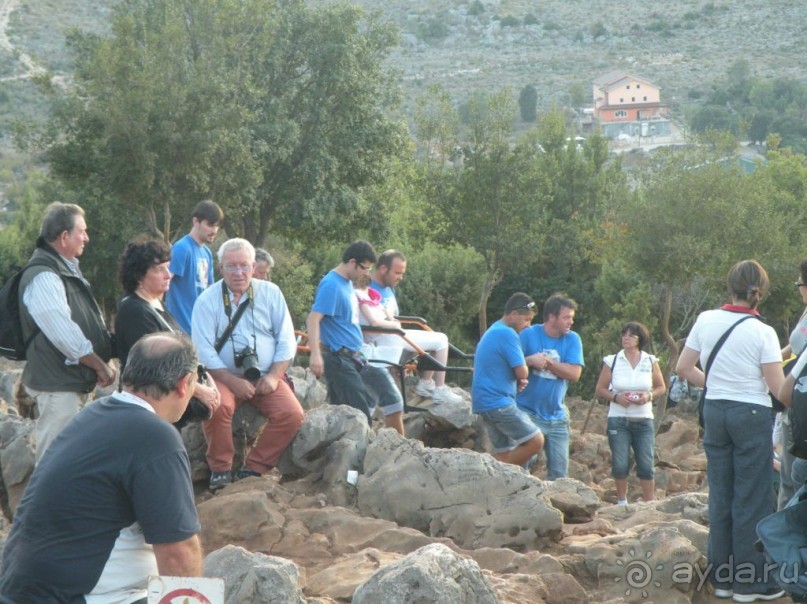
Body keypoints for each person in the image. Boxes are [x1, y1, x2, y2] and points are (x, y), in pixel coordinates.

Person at [0, 332, 203, 602]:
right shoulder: (156, 437)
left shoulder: (92, 415)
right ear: (183, 384)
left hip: (19, 586)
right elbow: (179, 553)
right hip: (74, 596)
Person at [676, 259, 785, 603]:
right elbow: (777, 388)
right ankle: (750, 585)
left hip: (716, 411)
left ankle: (722, 580)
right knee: (752, 497)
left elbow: (682, 367)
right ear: (760, 293)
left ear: (730, 287)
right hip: (750, 414)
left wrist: (719, 385)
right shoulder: (763, 332)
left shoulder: (706, 320)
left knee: (721, 493)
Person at [191, 238, 304, 491]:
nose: (238, 272)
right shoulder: (207, 300)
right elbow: (203, 350)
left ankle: (254, 468)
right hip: (222, 376)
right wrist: (232, 381)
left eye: (244, 265)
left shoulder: (271, 293)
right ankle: (220, 468)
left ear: (254, 266)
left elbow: (286, 340)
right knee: (216, 405)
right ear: (221, 268)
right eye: (231, 266)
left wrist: (275, 376)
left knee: (292, 413)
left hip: (265, 375)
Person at [18, 202, 116, 462]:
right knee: (54, 460)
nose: (87, 237)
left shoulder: (61, 270)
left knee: (68, 458)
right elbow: (64, 333)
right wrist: (99, 365)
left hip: (67, 382)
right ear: (64, 237)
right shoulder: (44, 277)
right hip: (58, 386)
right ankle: (42, 504)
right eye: (81, 231)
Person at [114, 240, 221, 428]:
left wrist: (207, 382)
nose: (168, 275)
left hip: (166, 406)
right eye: (158, 270)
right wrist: (200, 391)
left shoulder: (157, 305)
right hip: (148, 409)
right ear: (139, 276)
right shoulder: (134, 311)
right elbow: (156, 368)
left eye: (168, 267)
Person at [306, 240, 405, 435]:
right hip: (338, 357)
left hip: (355, 356)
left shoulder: (347, 284)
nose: (366, 274)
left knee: (357, 412)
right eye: (364, 268)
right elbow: (313, 319)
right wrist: (315, 355)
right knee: (357, 417)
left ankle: (347, 461)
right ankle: (352, 464)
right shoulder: (331, 285)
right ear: (352, 262)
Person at [369, 250, 462, 404]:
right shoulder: (368, 287)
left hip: (394, 334)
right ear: (384, 269)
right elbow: (372, 319)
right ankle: (438, 389)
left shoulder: (388, 287)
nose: (401, 277)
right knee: (441, 340)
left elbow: (394, 315)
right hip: (385, 336)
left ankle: (426, 384)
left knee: (435, 341)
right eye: (397, 273)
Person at [594, 322, 665, 504]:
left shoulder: (650, 360)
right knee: (620, 462)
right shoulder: (613, 360)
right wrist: (616, 397)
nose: (626, 338)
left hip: (643, 418)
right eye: (624, 334)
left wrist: (648, 396)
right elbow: (601, 389)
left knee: (646, 462)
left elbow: (660, 387)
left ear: (640, 339)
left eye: (631, 335)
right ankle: (622, 500)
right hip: (618, 418)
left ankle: (650, 501)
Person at [516, 294, 584, 480]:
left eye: (572, 317)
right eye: (566, 317)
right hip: (527, 412)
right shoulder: (529, 334)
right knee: (522, 467)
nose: (571, 321)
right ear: (551, 317)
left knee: (560, 474)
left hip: (557, 417)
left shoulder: (572, 339)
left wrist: (549, 363)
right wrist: (530, 360)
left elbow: (575, 374)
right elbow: (511, 363)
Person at [471, 293, 544, 466]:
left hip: (484, 403)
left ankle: (506, 483)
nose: (528, 326)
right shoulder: (507, 334)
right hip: (497, 402)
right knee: (536, 441)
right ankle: (493, 476)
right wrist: (529, 363)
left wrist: (513, 380)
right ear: (513, 315)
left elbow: (500, 366)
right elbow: (522, 372)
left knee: (507, 453)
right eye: (526, 320)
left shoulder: (494, 330)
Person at [165, 199, 224, 334]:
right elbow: (163, 283)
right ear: (196, 222)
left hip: (201, 329)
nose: (214, 231)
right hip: (180, 331)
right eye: (210, 225)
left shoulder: (207, 253)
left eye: (217, 226)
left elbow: (210, 291)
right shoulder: (181, 248)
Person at [778, 260, 807, 507]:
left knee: (795, 479)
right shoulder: (806, 311)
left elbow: (784, 392)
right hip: (797, 405)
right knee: (789, 480)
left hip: (799, 405)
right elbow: (795, 344)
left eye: (799, 283)